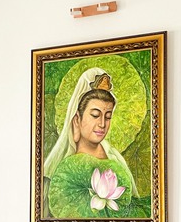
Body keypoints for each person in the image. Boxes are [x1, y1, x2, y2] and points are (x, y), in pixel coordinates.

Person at [44, 67, 138, 196]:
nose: (102, 124)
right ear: (77, 119)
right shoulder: (63, 168)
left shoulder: (114, 159)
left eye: (108, 117)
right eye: (95, 115)